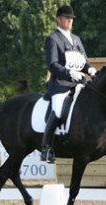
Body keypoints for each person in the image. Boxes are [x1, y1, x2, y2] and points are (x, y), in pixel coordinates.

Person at [41, 5, 96, 163]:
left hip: (78, 84)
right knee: (58, 109)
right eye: (66, 18)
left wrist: (91, 70)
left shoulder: (76, 39)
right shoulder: (53, 39)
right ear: (58, 19)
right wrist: (69, 73)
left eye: (71, 18)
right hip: (60, 84)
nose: (70, 20)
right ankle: (46, 147)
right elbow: (52, 64)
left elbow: (84, 61)